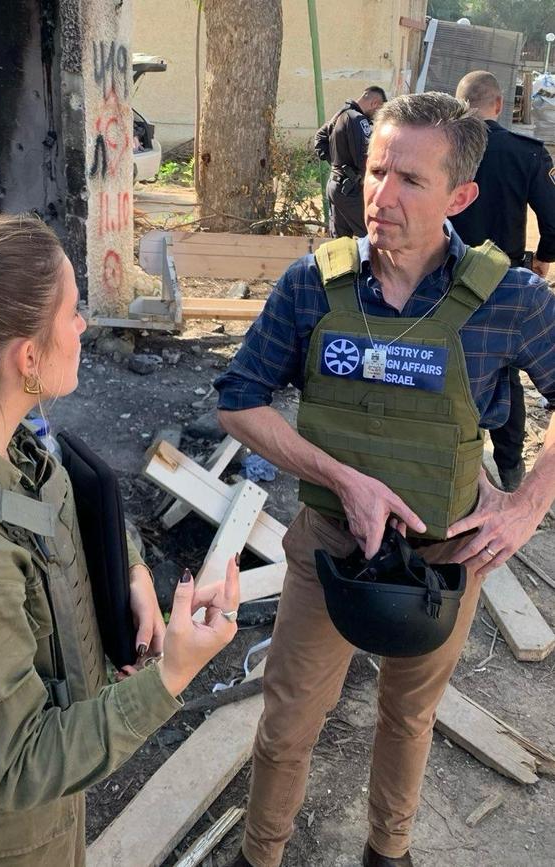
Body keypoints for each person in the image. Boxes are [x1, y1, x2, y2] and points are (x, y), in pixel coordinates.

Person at [215, 92, 555, 867]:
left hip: (444, 561)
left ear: (459, 197)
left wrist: (526, 503)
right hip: (330, 548)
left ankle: (388, 852)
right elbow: (239, 401)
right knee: (291, 716)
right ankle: (260, 854)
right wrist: (341, 476)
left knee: (410, 714)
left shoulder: (511, 298)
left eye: (408, 179)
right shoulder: (313, 284)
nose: (381, 196)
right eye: (375, 171)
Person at [0, 213, 240, 867]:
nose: (84, 326)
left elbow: (64, 508)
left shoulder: (15, 442)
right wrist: (172, 674)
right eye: (72, 311)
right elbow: (21, 762)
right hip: (0, 842)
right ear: (27, 357)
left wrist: (133, 568)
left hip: (55, 808)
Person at [451, 69, 555, 492]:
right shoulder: (524, 153)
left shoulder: (441, 147)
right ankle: (509, 471)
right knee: (503, 367)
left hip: (436, 273)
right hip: (501, 279)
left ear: (459, 103)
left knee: (433, 358)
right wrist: (543, 262)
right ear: (498, 105)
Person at [314, 87, 387, 239]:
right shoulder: (358, 119)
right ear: (375, 103)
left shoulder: (341, 115)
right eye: (378, 111)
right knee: (373, 237)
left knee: (340, 243)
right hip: (351, 191)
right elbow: (365, 157)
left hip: (335, 187)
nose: (376, 117)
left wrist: (337, 164)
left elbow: (320, 139)